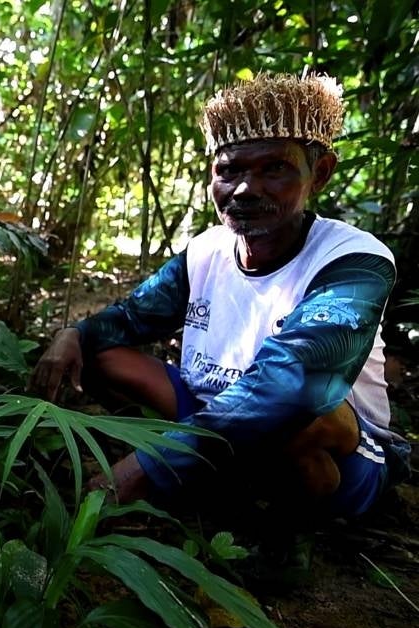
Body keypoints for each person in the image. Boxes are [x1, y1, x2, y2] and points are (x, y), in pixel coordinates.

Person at [30, 73, 411, 518]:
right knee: (99, 354)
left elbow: (294, 384)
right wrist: (74, 333)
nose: (245, 189)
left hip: (343, 455)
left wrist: (143, 469)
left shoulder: (353, 260)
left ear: (320, 173)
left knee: (305, 413)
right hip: (214, 414)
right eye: (229, 170)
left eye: (274, 168)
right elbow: (131, 318)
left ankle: (275, 515)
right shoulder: (207, 252)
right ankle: (217, 475)